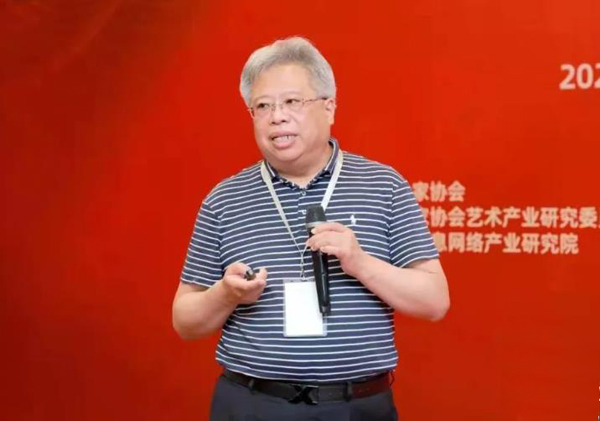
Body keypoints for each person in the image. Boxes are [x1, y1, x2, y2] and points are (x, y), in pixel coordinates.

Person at [172, 36, 450, 421]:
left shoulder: (383, 186)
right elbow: (185, 321)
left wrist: (360, 263)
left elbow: (434, 301)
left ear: (329, 106)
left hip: (356, 406)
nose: (277, 117)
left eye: (292, 102)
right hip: (253, 404)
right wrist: (225, 294)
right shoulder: (225, 199)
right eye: (263, 106)